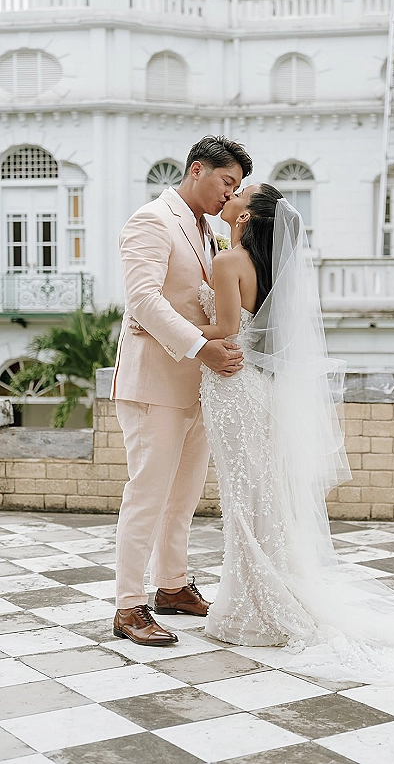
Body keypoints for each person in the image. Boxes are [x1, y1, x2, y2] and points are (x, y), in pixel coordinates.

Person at [198, 182, 394, 684]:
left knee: (243, 497)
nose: (232, 195)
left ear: (248, 218)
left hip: (233, 390)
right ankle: (253, 600)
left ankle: (255, 607)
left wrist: (164, 325)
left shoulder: (228, 264)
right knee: (260, 495)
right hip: (258, 390)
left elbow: (226, 331)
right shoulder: (265, 270)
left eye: (241, 193)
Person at [111, 135, 252, 646]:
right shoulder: (151, 220)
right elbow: (143, 300)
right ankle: (129, 606)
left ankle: (172, 585)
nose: (228, 195)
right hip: (156, 381)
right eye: (226, 182)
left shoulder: (210, 232)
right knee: (147, 494)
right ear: (197, 170)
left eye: (236, 188)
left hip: (202, 386)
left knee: (184, 496)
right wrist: (200, 348)